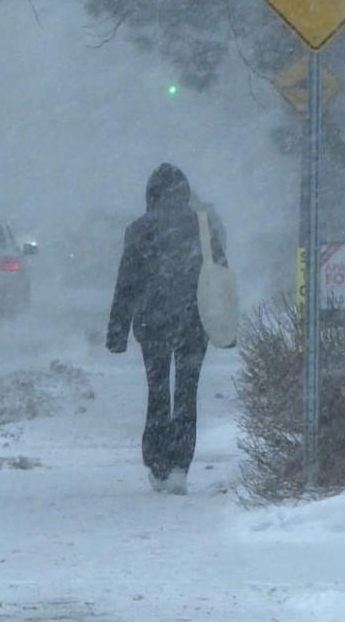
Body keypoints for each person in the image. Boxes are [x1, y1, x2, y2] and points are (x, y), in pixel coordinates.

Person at [108, 164, 227, 495]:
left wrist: (117, 332)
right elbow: (221, 276)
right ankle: (179, 467)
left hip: (153, 322)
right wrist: (226, 328)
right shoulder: (203, 228)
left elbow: (126, 284)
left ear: (151, 195)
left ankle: (157, 463)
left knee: (157, 391)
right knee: (187, 393)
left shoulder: (140, 230)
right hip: (194, 320)